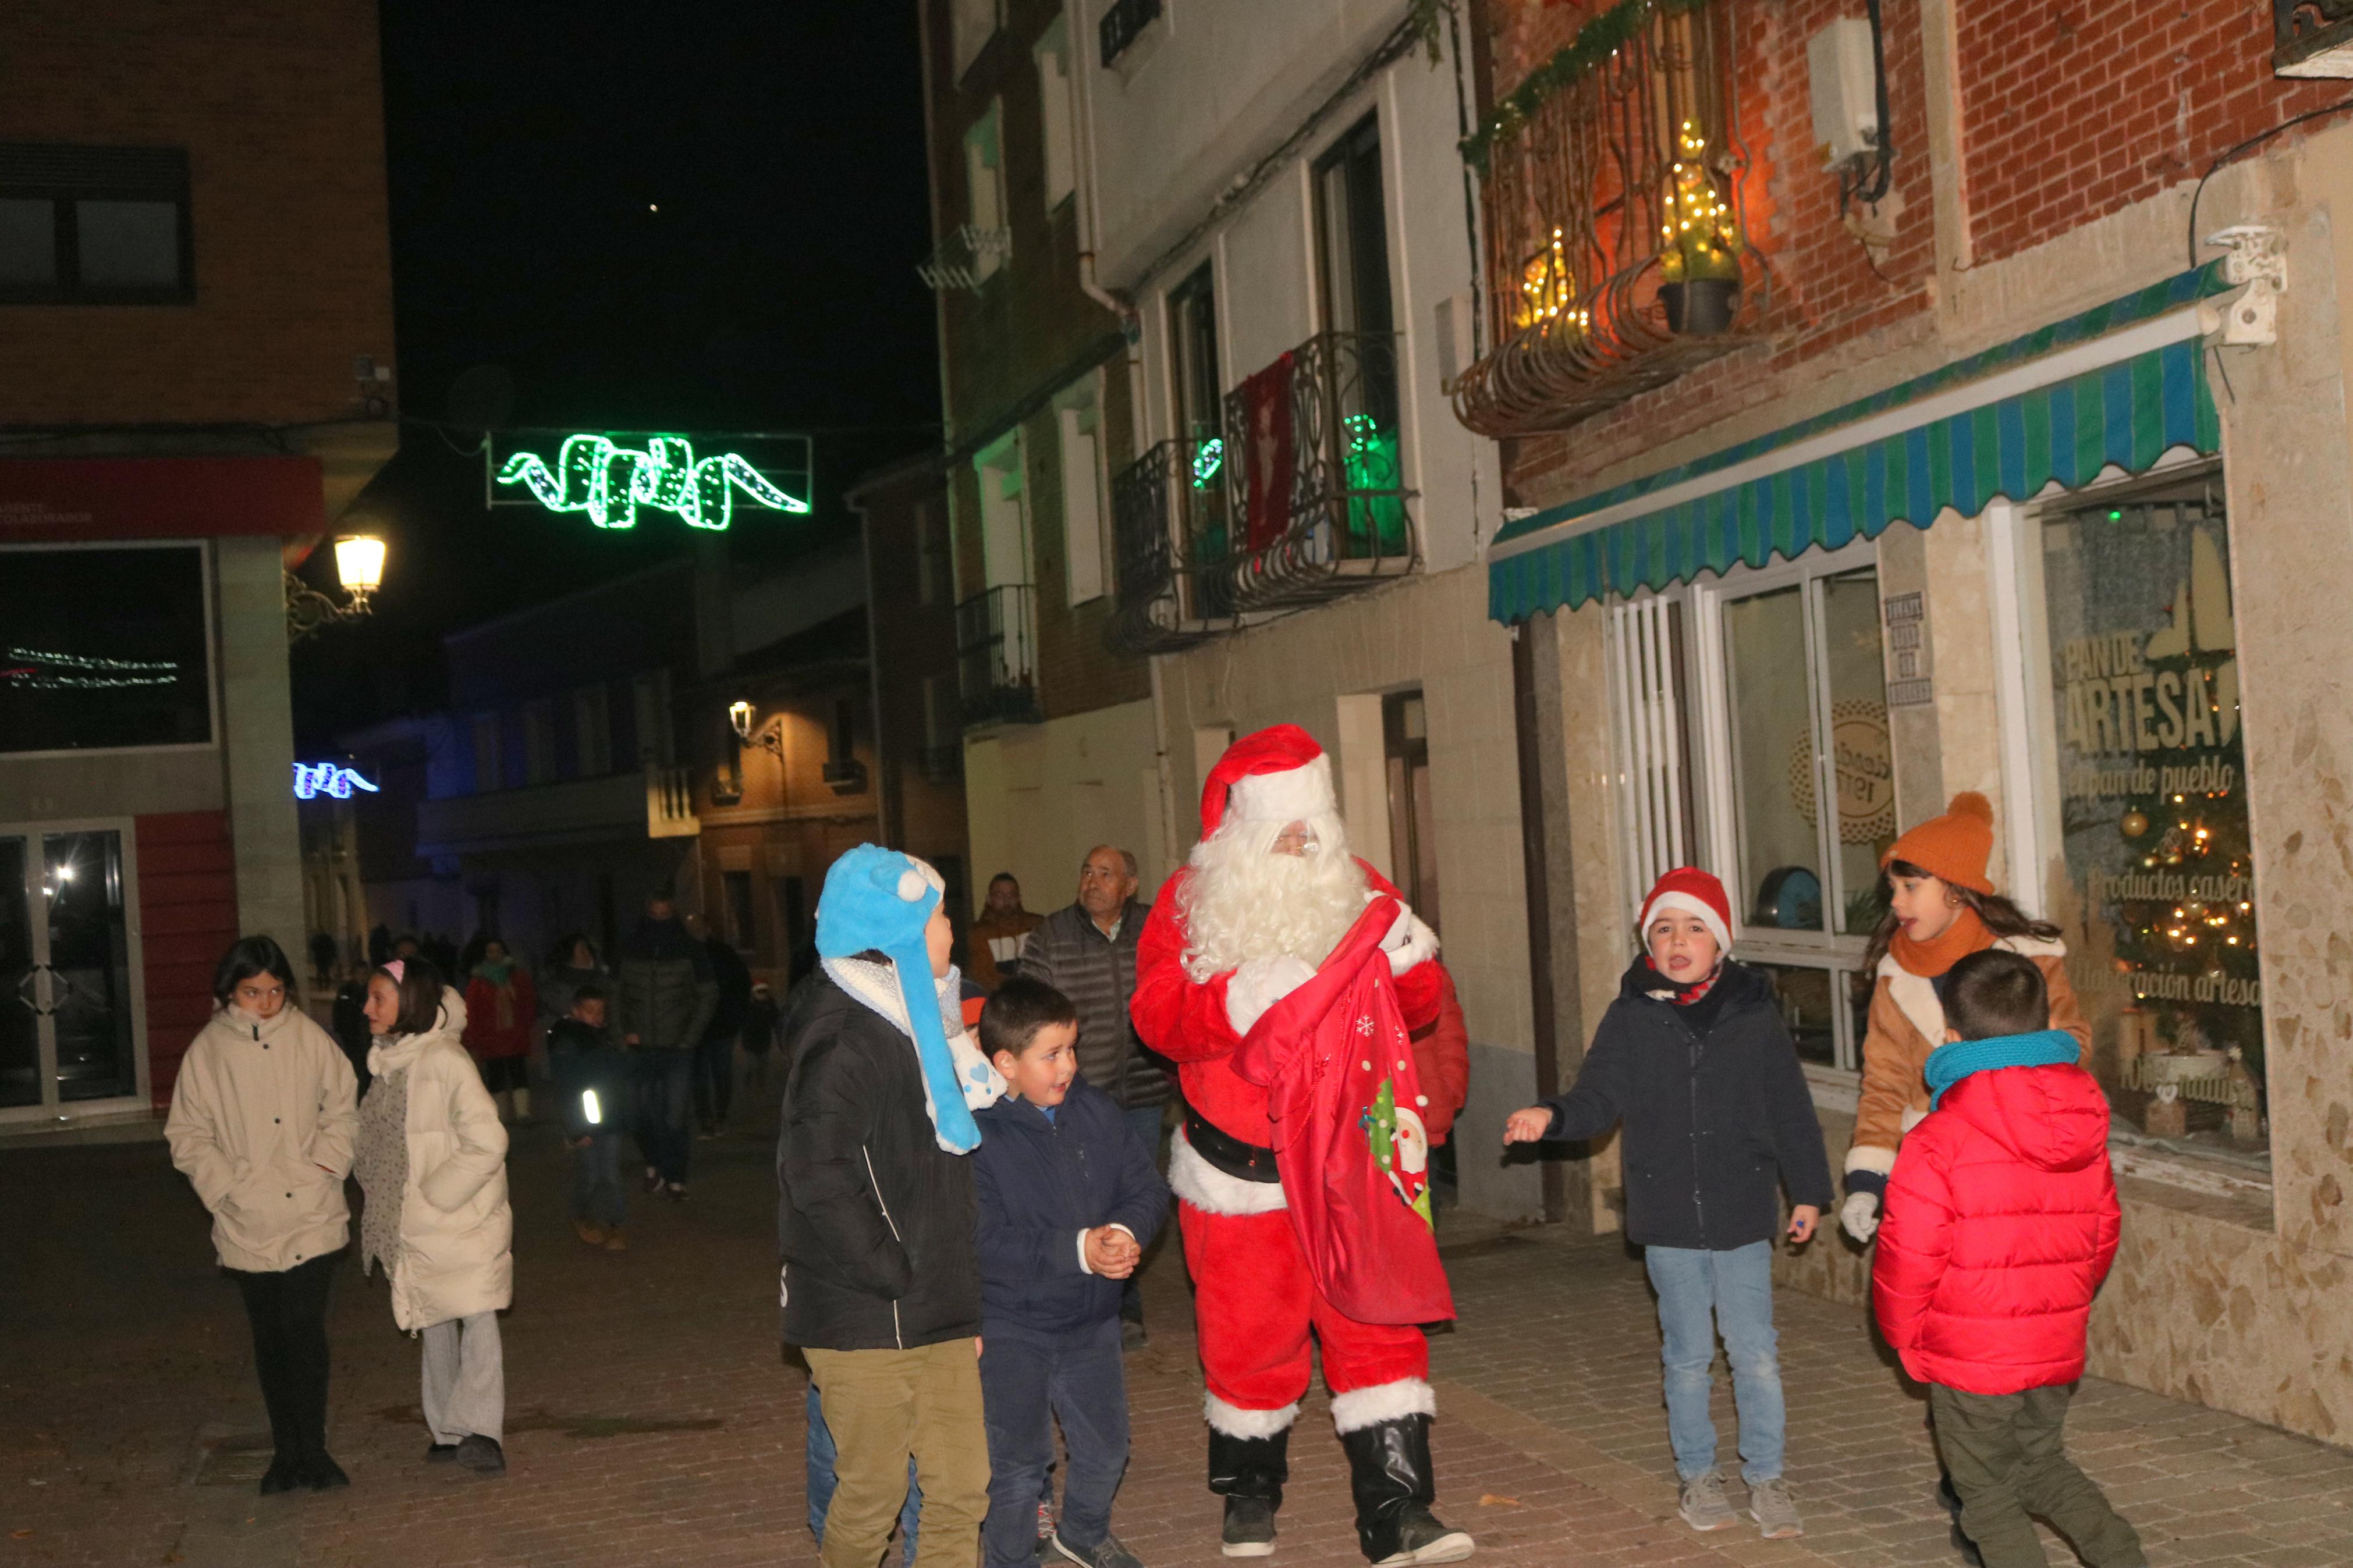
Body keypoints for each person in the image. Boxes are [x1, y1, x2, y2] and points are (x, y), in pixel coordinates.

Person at [1131, 725, 1470, 1566]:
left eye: (1311, 826)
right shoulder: (1187, 903)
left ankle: (1397, 1511)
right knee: (1248, 1334)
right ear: (1239, 832)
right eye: (1283, 829)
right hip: (1238, 1173)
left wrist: (1408, 961)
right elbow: (1155, 1016)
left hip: (1353, 1164)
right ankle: (1249, 1491)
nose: (1301, 843)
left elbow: (1424, 1005)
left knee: (1377, 1328)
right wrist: (1233, 999)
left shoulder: (1360, 890)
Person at [1505, 867, 1833, 1539]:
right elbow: (1599, 1093)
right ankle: (1697, 1473)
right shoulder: (1631, 1014)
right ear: (1646, 941)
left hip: (1741, 1206)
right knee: (1686, 1353)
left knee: (1754, 1351)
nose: (1677, 940)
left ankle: (1766, 1477)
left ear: (1718, 940)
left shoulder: (1753, 1014)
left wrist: (1808, 1191)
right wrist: (1551, 1113)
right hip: (1667, 1213)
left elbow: (1789, 1109)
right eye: (1663, 928)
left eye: (1692, 928)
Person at [1837, 791, 2091, 1564]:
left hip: (2018, 1180)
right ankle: (1975, 1490)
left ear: (1954, 887)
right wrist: (1865, 1178)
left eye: (1909, 885)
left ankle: (1989, 1487)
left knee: (2005, 1358)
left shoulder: (2030, 959)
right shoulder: (1893, 976)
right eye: (1893, 886)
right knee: (1958, 1357)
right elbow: (1882, 1084)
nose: (1896, 901)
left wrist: (1992, 1096)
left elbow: (2072, 1043)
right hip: (1935, 1184)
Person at [1872, 950, 2143, 1568]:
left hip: (1968, 1356)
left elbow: (1907, 1257)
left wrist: (1905, 1337)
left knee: (1986, 1493)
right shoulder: (2082, 1119)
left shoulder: (1935, 1139)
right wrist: (2060, 1306)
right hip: (2050, 1346)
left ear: (1951, 1036)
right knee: (2039, 1464)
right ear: (2041, 1021)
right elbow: (2102, 1231)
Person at [778, 844, 1003, 1568]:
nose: (950, 934)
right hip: (865, 1314)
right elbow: (816, 1173)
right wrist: (892, 1273)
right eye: (939, 918)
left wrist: (952, 1298)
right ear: (894, 933)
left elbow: (939, 1176)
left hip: (932, 1306)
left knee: (962, 1488)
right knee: (873, 1494)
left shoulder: (921, 1026)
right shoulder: (848, 1037)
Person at [973, 977, 1169, 1568]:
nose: (1069, 1066)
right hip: (1012, 1326)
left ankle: (1079, 1539)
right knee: (1016, 1470)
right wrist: (1079, 1249)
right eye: (1051, 1054)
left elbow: (1145, 1186)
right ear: (1004, 1062)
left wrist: (1126, 1233)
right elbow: (982, 1242)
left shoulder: (1094, 1110)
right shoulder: (975, 1132)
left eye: (1072, 1048)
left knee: (1106, 1448)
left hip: (1090, 1322)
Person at [165, 935, 359, 1495]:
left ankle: (315, 1450)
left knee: (305, 1331)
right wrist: (226, 1189)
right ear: (231, 991)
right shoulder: (208, 1050)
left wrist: (326, 1162)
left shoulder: (309, 1037)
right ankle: (286, 1452)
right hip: (249, 1216)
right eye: (254, 992)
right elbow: (188, 1133)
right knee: (271, 1338)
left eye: (275, 991)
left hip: (311, 1209)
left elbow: (343, 1105)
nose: (267, 1003)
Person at [354, 959, 514, 1477]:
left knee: (477, 1314)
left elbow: (488, 1138)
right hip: (417, 1220)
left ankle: (482, 1429)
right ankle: (447, 1429)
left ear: (411, 1002)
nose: (367, 1008)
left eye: (379, 997)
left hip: (460, 1216)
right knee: (434, 1315)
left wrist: (436, 1194)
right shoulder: (388, 1061)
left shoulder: (445, 1059)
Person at [1018, 845, 1169, 1349]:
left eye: (1106, 874)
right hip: (1082, 1093)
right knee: (1086, 1197)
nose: (1093, 881)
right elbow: (1032, 1012)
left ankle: (1124, 1301)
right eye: (1087, 871)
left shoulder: (1157, 928)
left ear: (1130, 885)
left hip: (1146, 1087)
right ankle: (1101, 1305)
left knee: (1133, 1196)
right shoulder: (1051, 936)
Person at [615, 892, 718, 1200]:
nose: (660, 919)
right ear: (647, 912)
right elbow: (615, 994)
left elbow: (708, 994)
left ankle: (675, 1176)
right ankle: (654, 1161)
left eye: (665, 914)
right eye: (655, 914)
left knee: (674, 1115)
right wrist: (622, 1033)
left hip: (678, 1049)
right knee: (639, 1112)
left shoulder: (690, 950)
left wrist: (689, 1037)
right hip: (640, 1047)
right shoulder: (628, 948)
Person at [549, 982, 631, 1251]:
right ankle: (581, 1215)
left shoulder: (605, 1037)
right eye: (590, 1011)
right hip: (587, 1121)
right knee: (591, 1176)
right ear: (575, 1011)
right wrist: (575, 1129)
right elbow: (565, 1089)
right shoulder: (568, 1042)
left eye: (600, 1011)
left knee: (611, 1174)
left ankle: (617, 1224)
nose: (596, 1016)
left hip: (612, 1118)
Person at [689, 912, 754, 1137]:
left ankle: (720, 1115)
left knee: (721, 1073)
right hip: (696, 1028)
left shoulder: (724, 954)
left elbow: (741, 985)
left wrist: (735, 1016)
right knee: (700, 1076)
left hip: (721, 1026)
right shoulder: (685, 954)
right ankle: (706, 1118)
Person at [462, 937, 537, 1123]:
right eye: (490, 951)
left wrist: (526, 1024)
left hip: (514, 1033)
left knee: (518, 1071)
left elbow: (528, 1002)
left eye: (498, 951)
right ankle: (501, 1114)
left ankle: (523, 1112)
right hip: (491, 1036)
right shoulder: (478, 981)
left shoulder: (517, 976)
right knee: (496, 1075)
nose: (495, 955)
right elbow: (472, 1009)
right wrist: (473, 1036)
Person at [966, 872, 1041, 992]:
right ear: (989, 899)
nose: (1007, 900)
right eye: (1000, 895)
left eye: (1012, 895)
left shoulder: (1036, 925)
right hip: (1000, 1000)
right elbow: (983, 977)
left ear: (1019, 898)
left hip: (1035, 996)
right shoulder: (979, 933)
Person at [538, 931, 607, 1027]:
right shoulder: (553, 989)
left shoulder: (602, 982)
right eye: (581, 951)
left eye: (588, 950)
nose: (587, 954)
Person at [743, 980, 780, 1096]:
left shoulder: (770, 1006)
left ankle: (760, 1087)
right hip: (751, 1041)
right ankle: (749, 1081)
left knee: (763, 1065)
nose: (762, 994)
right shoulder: (749, 1007)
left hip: (764, 1040)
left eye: (765, 991)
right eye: (760, 991)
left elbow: (776, 1020)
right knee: (752, 1065)